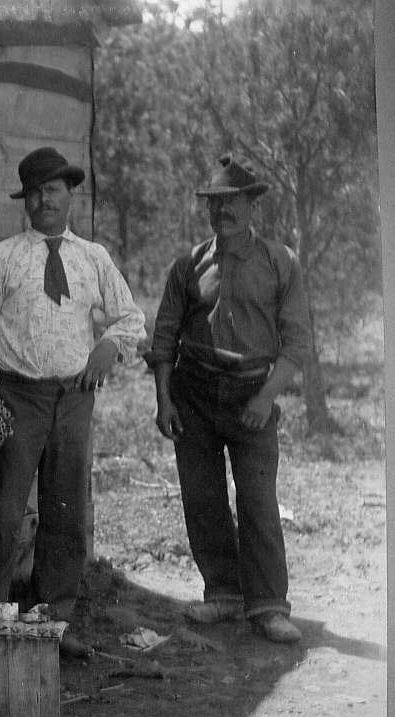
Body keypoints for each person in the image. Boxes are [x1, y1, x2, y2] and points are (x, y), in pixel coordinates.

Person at [0, 146, 146, 658]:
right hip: (17, 396)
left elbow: (131, 318)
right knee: (1, 512)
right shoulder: (2, 258)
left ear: (70, 194)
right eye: (37, 192)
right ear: (26, 200)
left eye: (55, 189)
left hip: (75, 398)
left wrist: (108, 345)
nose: (46, 200)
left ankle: (51, 623)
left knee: (65, 514)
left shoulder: (94, 258)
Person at [148, 154, 311, 644]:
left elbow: (298, 342)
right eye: (215, 204)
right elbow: (164, 338)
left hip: (252, 394)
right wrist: (164, 400)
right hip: (194, 392)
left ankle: (268, 604)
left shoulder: (280, 262)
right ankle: (223, 592)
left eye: (234, 202)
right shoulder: (188, 266)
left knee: (258, 498)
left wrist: (265, 398)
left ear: (252, 205)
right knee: (203, 497)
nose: (224, 212)